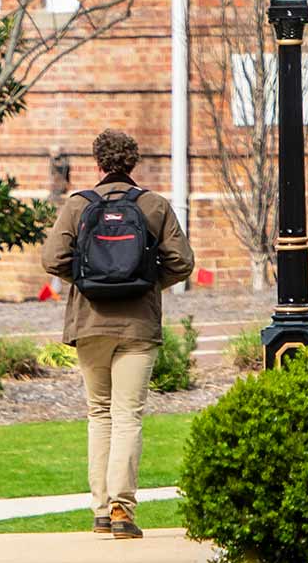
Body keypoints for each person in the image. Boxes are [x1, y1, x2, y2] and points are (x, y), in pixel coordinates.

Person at [39, 128, 193, 541]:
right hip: (138, 324)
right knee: (128, 414)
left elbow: (52, 258)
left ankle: (101, 509)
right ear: (133, 163)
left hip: (89, 324)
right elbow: (182, 262)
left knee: (99, 413)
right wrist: (144, 282)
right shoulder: (153, 205)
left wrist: (89, 281)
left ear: (98, 164)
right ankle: (122, 506)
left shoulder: (78, 206)